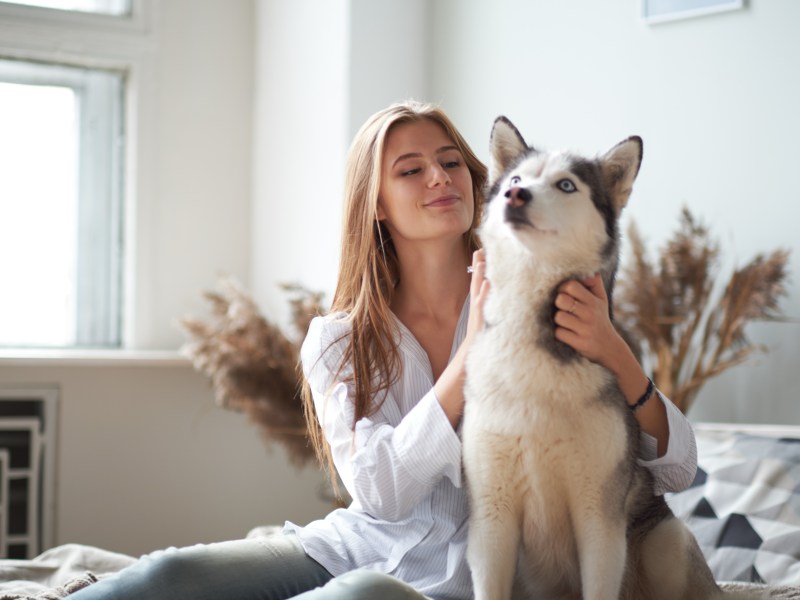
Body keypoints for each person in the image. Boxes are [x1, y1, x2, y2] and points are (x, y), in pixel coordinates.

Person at [69, 100, 697, 600]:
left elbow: (676, 471)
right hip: (345, 546)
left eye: (452, 162)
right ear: (373, 202)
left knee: (362, 597)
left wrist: (617, 355)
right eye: (410, 169)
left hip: (450, 582)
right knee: (168, 578)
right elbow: (379, 494)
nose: (439, 178)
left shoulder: (551, 308)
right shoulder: (339, 338)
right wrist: (472, 352)